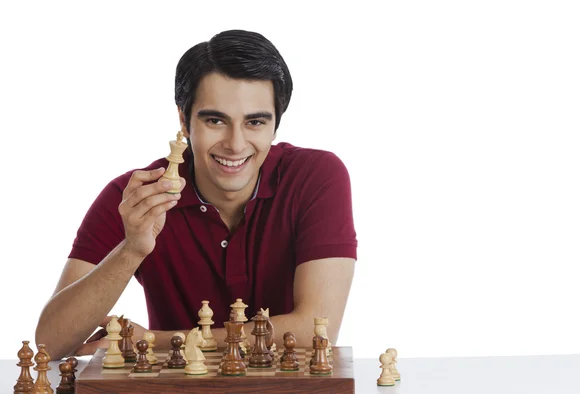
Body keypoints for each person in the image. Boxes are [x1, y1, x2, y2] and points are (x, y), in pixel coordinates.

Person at [35, 29, 357, 360]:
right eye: (215, 120)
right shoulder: (134, 196)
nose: (235, 143)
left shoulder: (317, 177)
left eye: (255, 122)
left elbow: (318, 330)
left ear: (276, 125)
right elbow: (52, 343)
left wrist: (159, 340)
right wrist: (132, 248)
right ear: (184, 121)